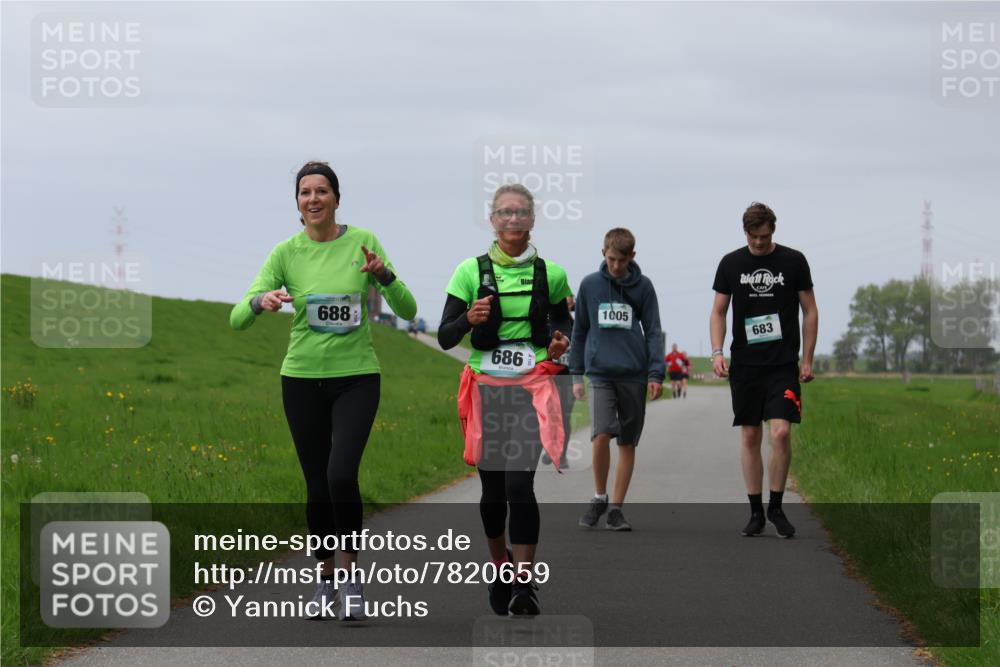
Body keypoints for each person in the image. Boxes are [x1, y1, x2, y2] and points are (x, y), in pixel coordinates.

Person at [230, 160, 417, 619]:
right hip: (300, 380)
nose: (313, 199)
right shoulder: (285, 253)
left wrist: (384, 275)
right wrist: (262, 300)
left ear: (336, 198)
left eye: (321, 191)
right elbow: (237, 318)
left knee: (340, 476)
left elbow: (409, 309)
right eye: (304, 192)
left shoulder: (363, 243)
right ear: (297, 202)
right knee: (316, 484)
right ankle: (325, 580)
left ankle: (352, 579)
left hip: (356, 378)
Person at [438, 183, 572, 616]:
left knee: (519, 484)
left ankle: (524, 584)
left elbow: (563, 325)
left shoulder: (551, 273)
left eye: (521, 213)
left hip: (530, 391)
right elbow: (444, 336)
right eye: (504, 213)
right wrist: (467, 317)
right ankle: (501, 565)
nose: (513, 220)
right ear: (492, 220)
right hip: (485, 394)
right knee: (493, 493)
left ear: (532, 221)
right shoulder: (468, 272)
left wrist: (558, 343)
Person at [709, 202, 818, 538]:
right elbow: (718, 311)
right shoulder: (731, 263)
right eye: (754, 237)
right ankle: (755, 511)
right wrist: (716, 352)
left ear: (773, 231)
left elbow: (810, 311)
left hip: (783, 364)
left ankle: (776, 506)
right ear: (746, 233)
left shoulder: (793, 261)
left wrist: (807, 358)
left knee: (781, 432)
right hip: (745, 365)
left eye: (765, 236)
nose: (759, 243)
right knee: (751, 434)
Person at [570, 228, 665, 532]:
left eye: (621, 260)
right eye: (611, 259)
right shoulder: (590, 285)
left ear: (632, 257)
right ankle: (599, 496)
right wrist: (575, 374)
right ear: (603, 254)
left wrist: (655, 373)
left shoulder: (644, 288)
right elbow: (580, 331)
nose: (615, 266)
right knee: (600, 434)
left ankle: (616, 509)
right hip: (599, 372)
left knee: (627, 441)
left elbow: (652, 330)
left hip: (634, 374)